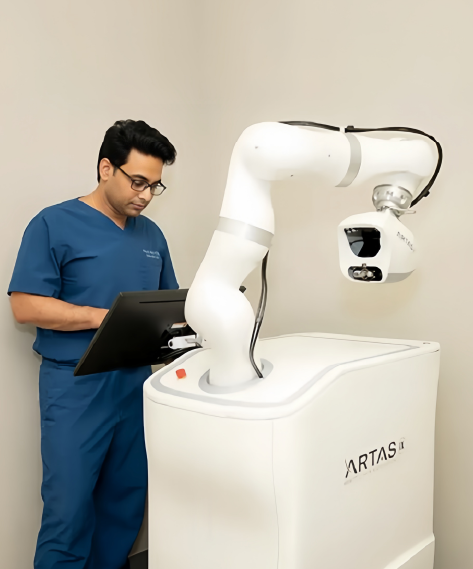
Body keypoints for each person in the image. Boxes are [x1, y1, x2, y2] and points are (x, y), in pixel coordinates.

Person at [8, 119, 178, 569]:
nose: (145, 195)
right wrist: (101, 317)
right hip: (75, 385)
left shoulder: (152, 236)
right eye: (137, 181)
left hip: (135, 384)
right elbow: (24, 305)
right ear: (106, 168)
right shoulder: (53, 223)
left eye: (154, 186)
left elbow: (167, 307)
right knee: (68, 510)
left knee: (125, 502)